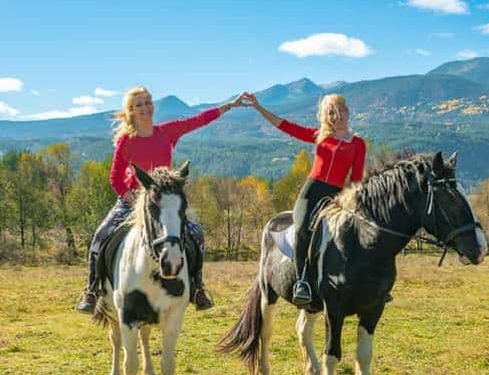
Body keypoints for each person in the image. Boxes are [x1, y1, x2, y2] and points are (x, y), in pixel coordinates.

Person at [76, 86, 246, 313]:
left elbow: (199, 119)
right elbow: (115, 177)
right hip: (132, 201)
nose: (145, 107)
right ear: (131, 111)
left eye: (148, 102)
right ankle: (92, 289)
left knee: (195, 233)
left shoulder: (166, 132)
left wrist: (230, 106)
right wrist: (130, 197)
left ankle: (197, 286)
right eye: (139, 104)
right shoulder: (126, 141)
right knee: (101, 235)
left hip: (164, 203)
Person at [243, 92, 366, 305]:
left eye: (339, 112)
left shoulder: (358, 144)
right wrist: (258, 107)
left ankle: (366, 280)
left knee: (357, 231)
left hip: (336, 196)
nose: (336, 117)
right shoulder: (319, 135)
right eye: (330, 113)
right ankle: (302, 283)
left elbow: (355, 179)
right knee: (301, 230)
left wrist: (348, 201)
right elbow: (285, 126)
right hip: (310, 192)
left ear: (347, 112)